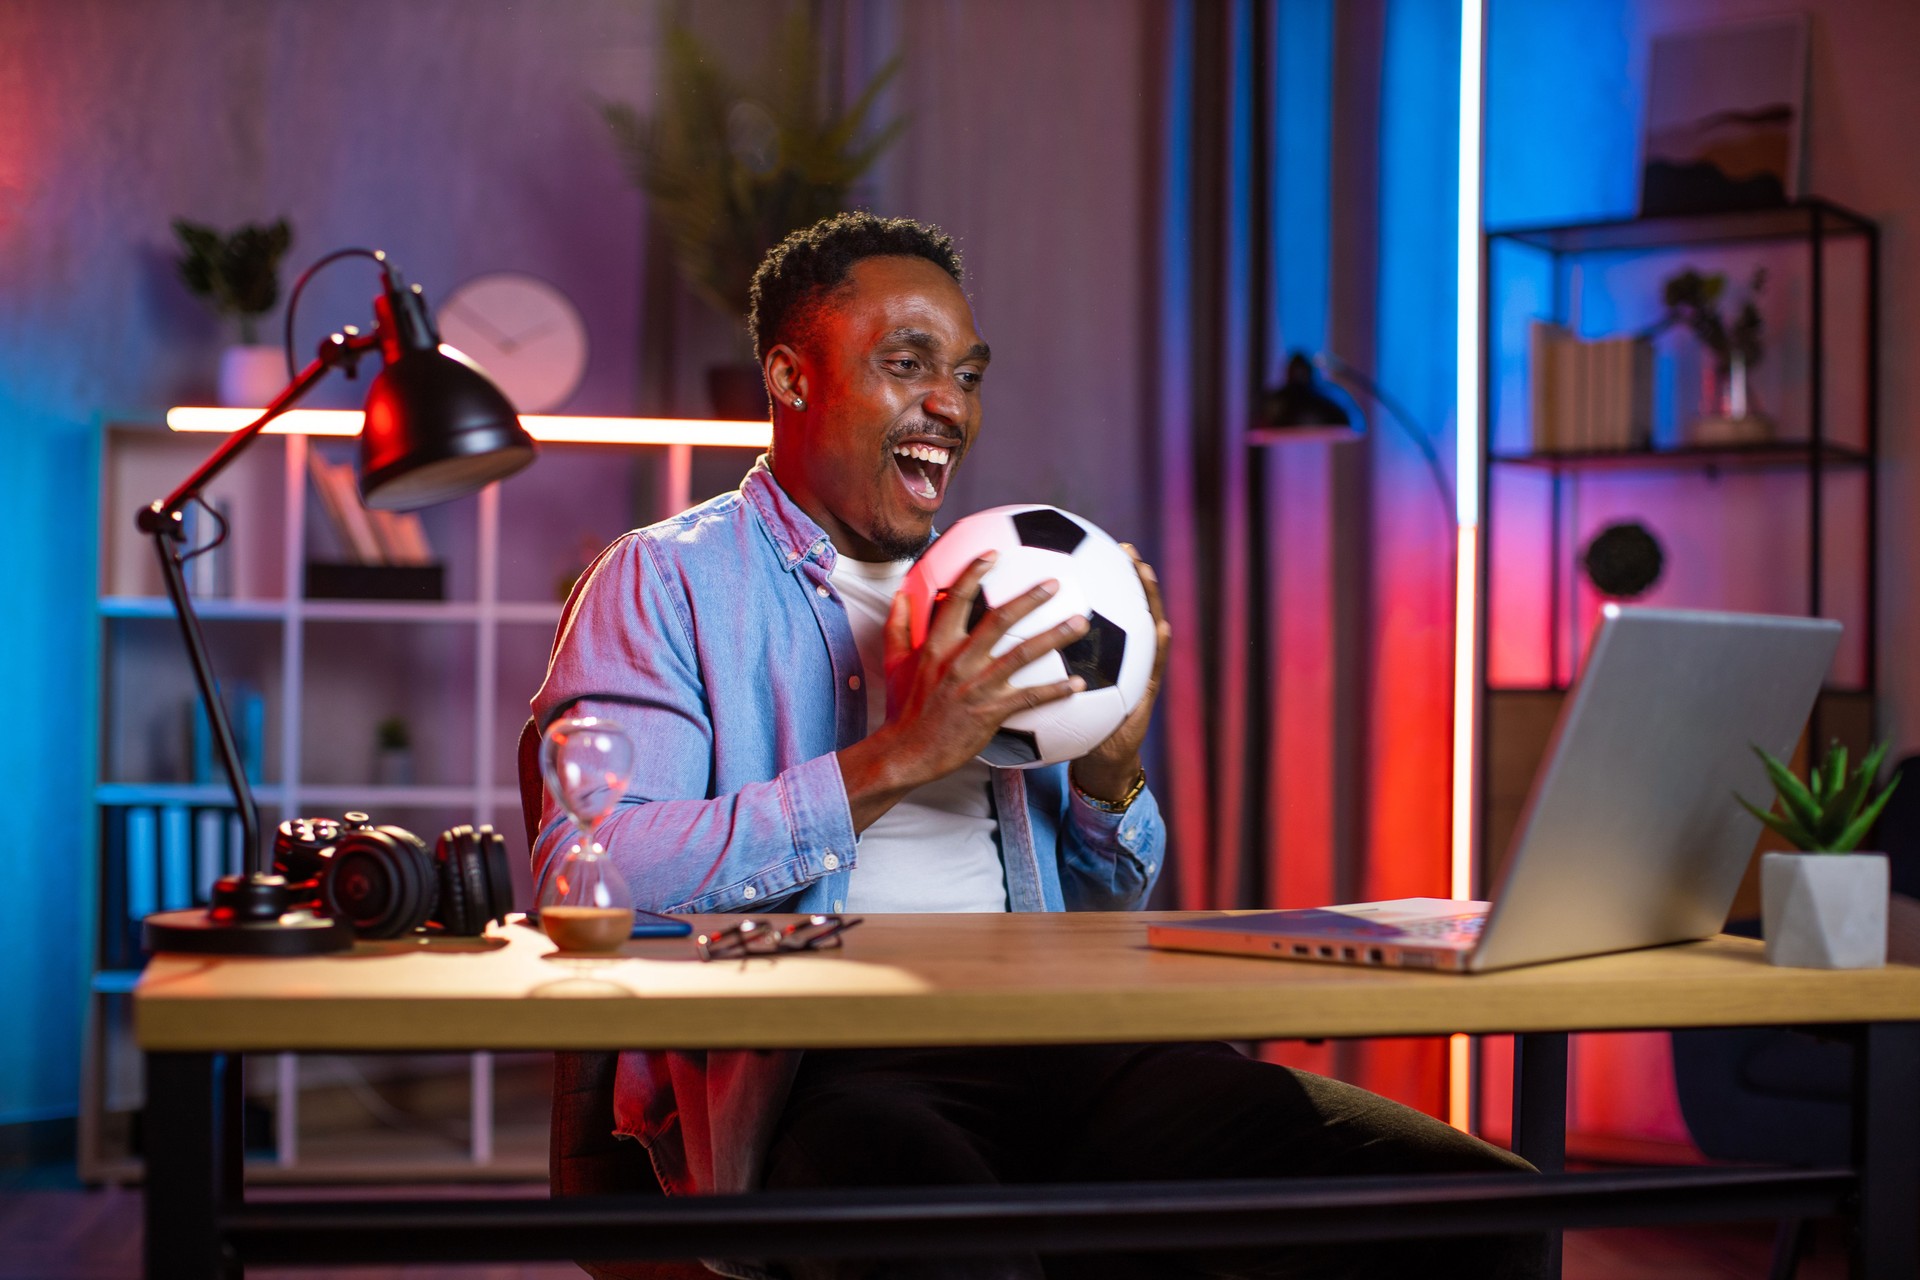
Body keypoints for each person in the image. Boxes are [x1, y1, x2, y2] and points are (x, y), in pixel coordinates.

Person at [531, 212, 1541, 1280]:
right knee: (973, 1255)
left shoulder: (1020, 572)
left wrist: (1114, 767)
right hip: (826, 1062)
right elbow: (590, 879)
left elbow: (1101, 912)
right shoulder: (668, 581)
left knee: (1482, 1208)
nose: (950, 405)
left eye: (966, 374)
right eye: (907, 363)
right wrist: (902, 756)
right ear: (790, 376)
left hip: (1067, 1032)